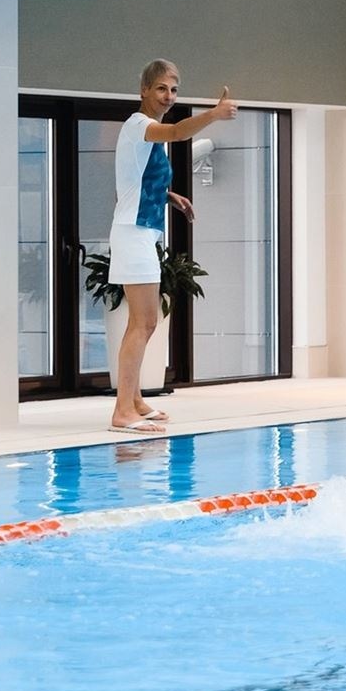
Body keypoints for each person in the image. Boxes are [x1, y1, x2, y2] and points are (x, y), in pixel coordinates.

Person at [106, 59, 236, 434]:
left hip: (141, 231)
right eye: (162, 88)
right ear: (144, 90)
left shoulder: (144, 134)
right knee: (143, 322)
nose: (168, 96)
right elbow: (178, 132)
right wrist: (214, 114)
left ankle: (133, 400)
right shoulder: (139, 126)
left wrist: (168, 196)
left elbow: (133, 183)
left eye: (174, 90)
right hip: (133, 234)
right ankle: (122, 412)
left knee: (144, 322)